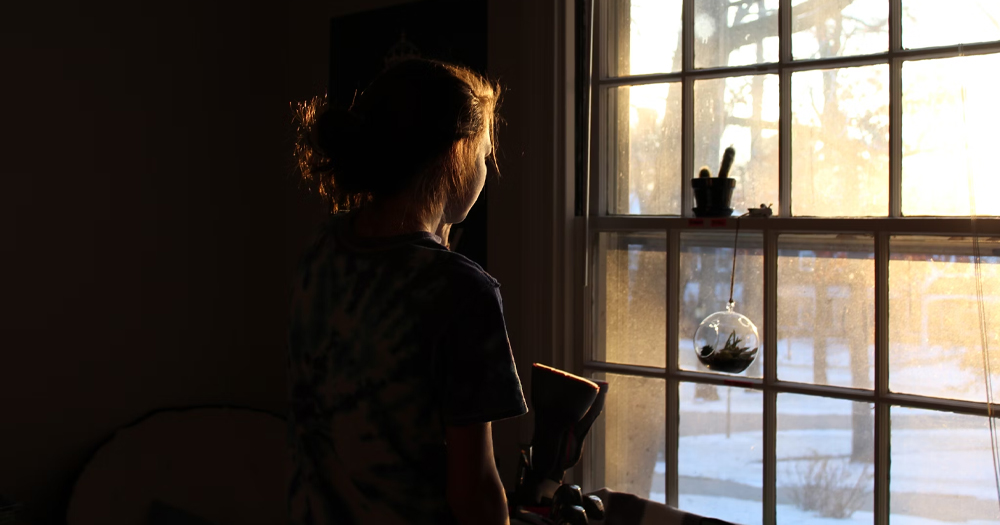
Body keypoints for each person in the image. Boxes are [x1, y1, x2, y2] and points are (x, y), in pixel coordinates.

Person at [286, 58, 527, 525]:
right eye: (483, 155)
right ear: (455, 155)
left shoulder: (322, 252)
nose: (484, 169)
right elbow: (474, 491)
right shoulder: (461, 292)